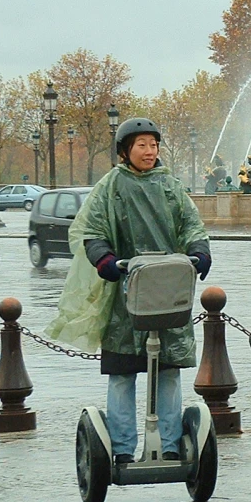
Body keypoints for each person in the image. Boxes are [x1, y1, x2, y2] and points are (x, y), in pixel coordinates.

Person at [46, 118, 211, 465]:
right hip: (124, 293)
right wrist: (103, 258)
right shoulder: (110, 186)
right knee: (122, 373)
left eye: (153, 144)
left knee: (168, 369)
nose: (150, 151)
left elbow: (191, 224)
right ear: (125, 150)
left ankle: (170, 445)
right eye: (142, 145)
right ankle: (121, 449)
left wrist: (199, 250)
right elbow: (91, 229)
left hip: (168, 289)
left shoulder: (170, 185)